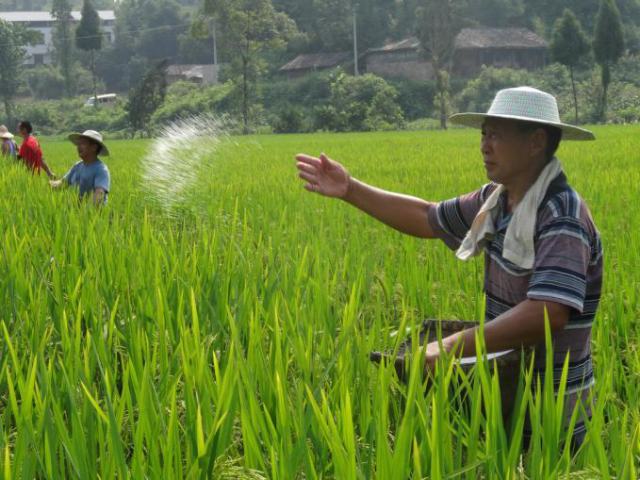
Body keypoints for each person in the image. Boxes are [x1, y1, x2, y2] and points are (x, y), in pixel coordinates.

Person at [294, 87, 602, 449]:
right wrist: (350, 189)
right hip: (506, 387)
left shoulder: (560, 213)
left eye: (496, 136)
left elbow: (548, 313)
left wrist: (452, 347)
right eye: (483, 135)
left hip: (553, 409)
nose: (484, 146)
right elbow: (428, 217)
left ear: (535, 142)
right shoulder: (498, 199)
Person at [50, 130, 111, 206]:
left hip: (96, 214)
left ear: (94, 148)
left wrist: (86, 213)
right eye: (78, 144)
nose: (78, 147)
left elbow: (99, 195)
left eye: (82, 144)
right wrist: (47, 185)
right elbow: (62, 184)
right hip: (78, 211)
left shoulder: (101, 169)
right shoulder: (77, 166)